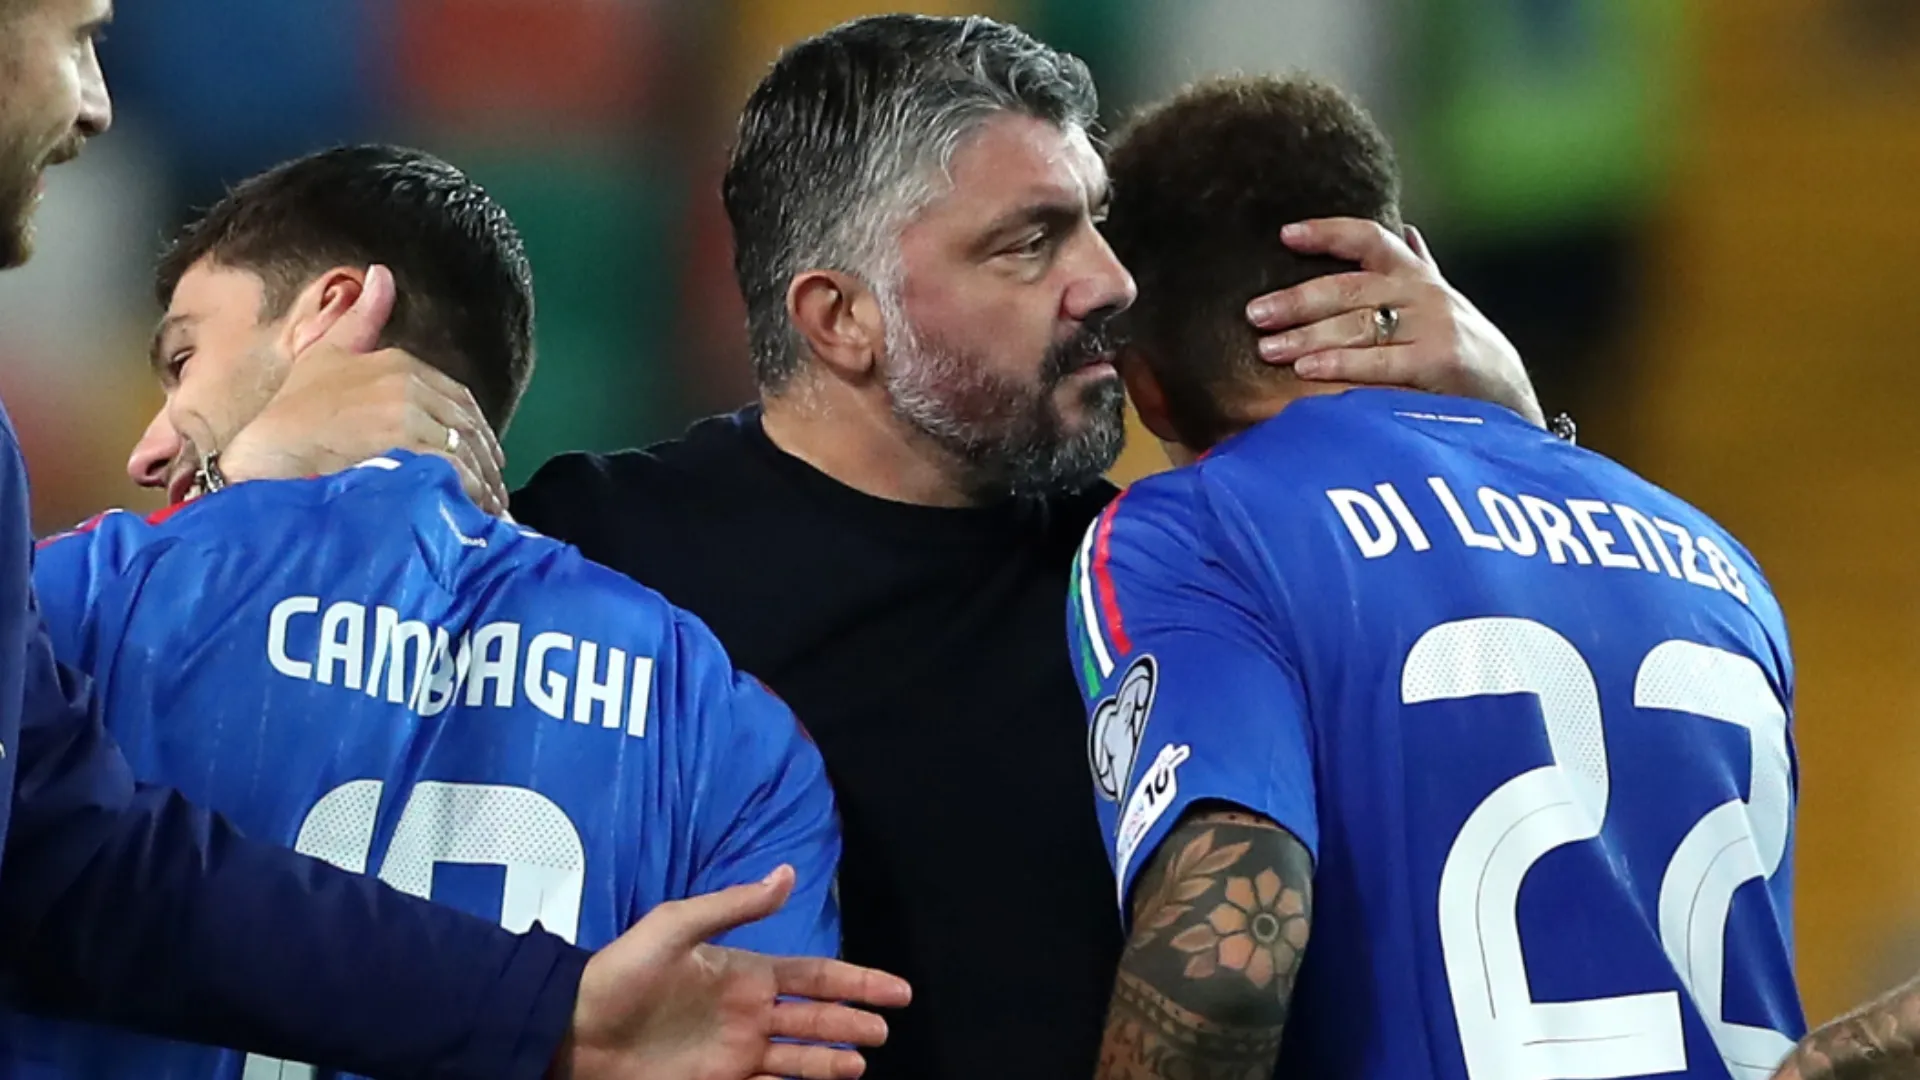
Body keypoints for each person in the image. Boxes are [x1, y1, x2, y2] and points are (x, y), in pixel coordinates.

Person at [182, 15, 1541, 1079]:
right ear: (841, 319)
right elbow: (218, 736)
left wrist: (1515, 424)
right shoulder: (595, 553)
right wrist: (266, 473)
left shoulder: (1175, 570)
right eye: (1032, 243)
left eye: (1098, 229)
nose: (1110, 286)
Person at [0, 3, 906, 1078]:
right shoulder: (723, 728)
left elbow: (81, 867)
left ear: (329, 312)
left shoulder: (85, 602)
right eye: (82, 36)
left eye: (185, 360)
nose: (153, 447)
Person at [1075, 73, 1803, 1080]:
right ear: (1413, 267)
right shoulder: (1713, 557)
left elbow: (1226, 963)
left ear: (1145, 385)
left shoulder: (1196, 530)